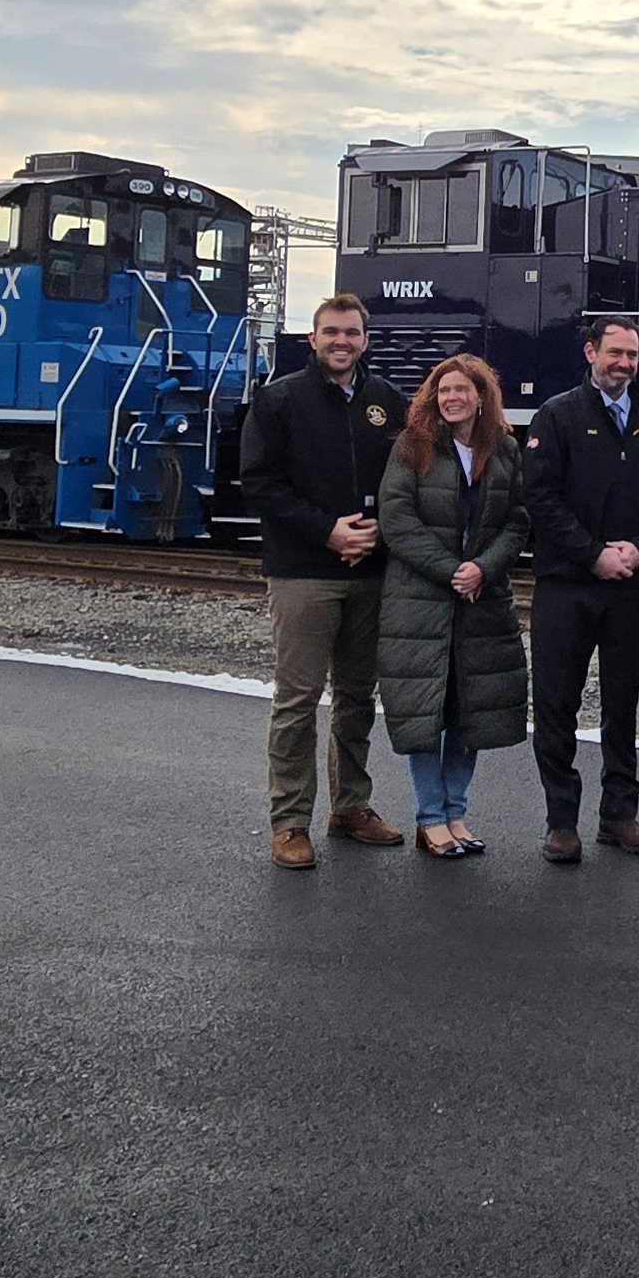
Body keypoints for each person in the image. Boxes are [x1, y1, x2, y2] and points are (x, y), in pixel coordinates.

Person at [237, 293, 406, 871]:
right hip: (304, 572)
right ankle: (289, 822)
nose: (342, 341)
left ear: (365, 340)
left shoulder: (387, 401)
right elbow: (259, 483)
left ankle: (350, 807)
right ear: (313, 339)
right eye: (331, 332)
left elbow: (405, 480)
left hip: (370, 572)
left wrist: (383, 530)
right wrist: (327, 531)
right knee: (298, 700)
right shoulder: (279, 400)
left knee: (358, 696)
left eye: (351, 332)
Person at [518, 315, 639, 863]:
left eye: (632, 355)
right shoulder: (557, 415)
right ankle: (561, 821)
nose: (625, 364)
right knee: (557, 704)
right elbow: (540, 498)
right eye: (615, 353)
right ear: (591, 353)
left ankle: (619, 815)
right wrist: (593, 554)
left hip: (628, 588)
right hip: (566, 586)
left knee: (623, 703)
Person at [374, 355, 526, 857]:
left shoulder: (504, 448)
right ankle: (430, 818)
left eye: (462, 389)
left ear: (481, 397)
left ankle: (456, 813)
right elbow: (396, 519)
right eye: (444, 390)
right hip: (421, 601)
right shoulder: (411, 445)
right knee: (426, 710)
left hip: (482, 600)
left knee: (469, 710)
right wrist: (453, 571)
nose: (452, 398)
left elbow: (518, 521)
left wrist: (483, 567)